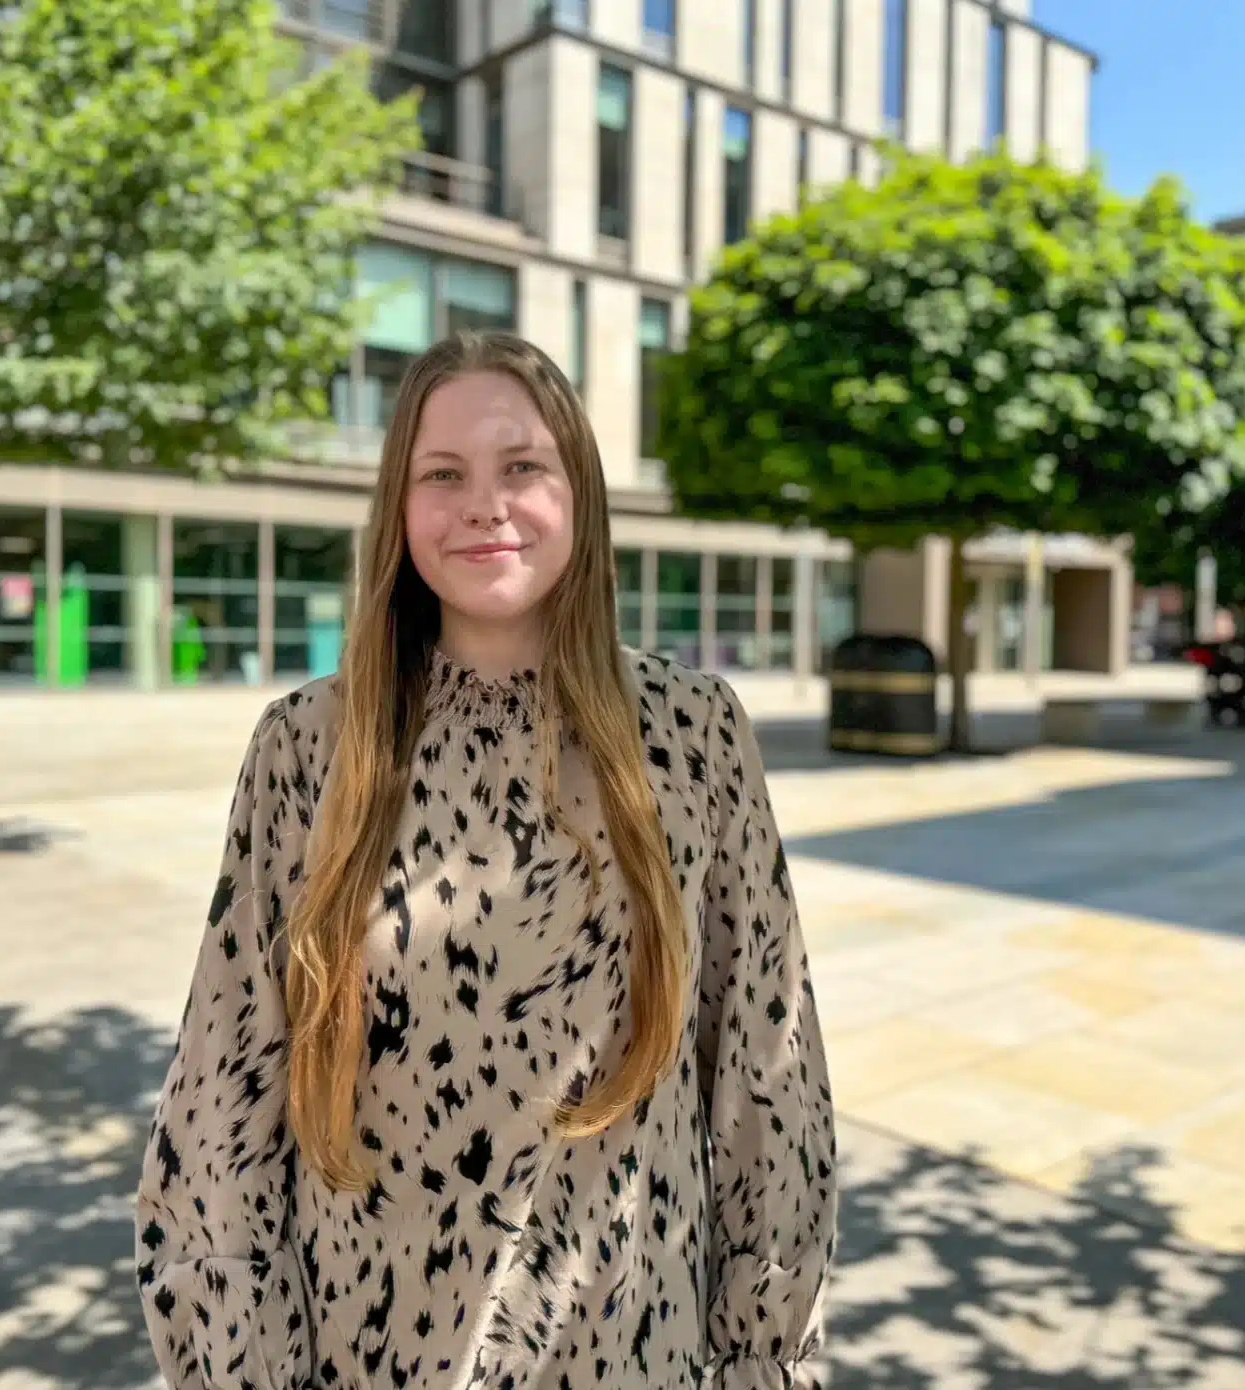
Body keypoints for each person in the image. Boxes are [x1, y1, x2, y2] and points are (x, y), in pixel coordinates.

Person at [136, 331, 838, 1390]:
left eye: (522, 467)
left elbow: (768, 1080)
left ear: (579, 495)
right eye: (443, 474)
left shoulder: (694, 733)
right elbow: (223, 1094)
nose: (485, 503)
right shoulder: (307, 747)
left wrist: (764, 1357)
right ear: (401, 505)